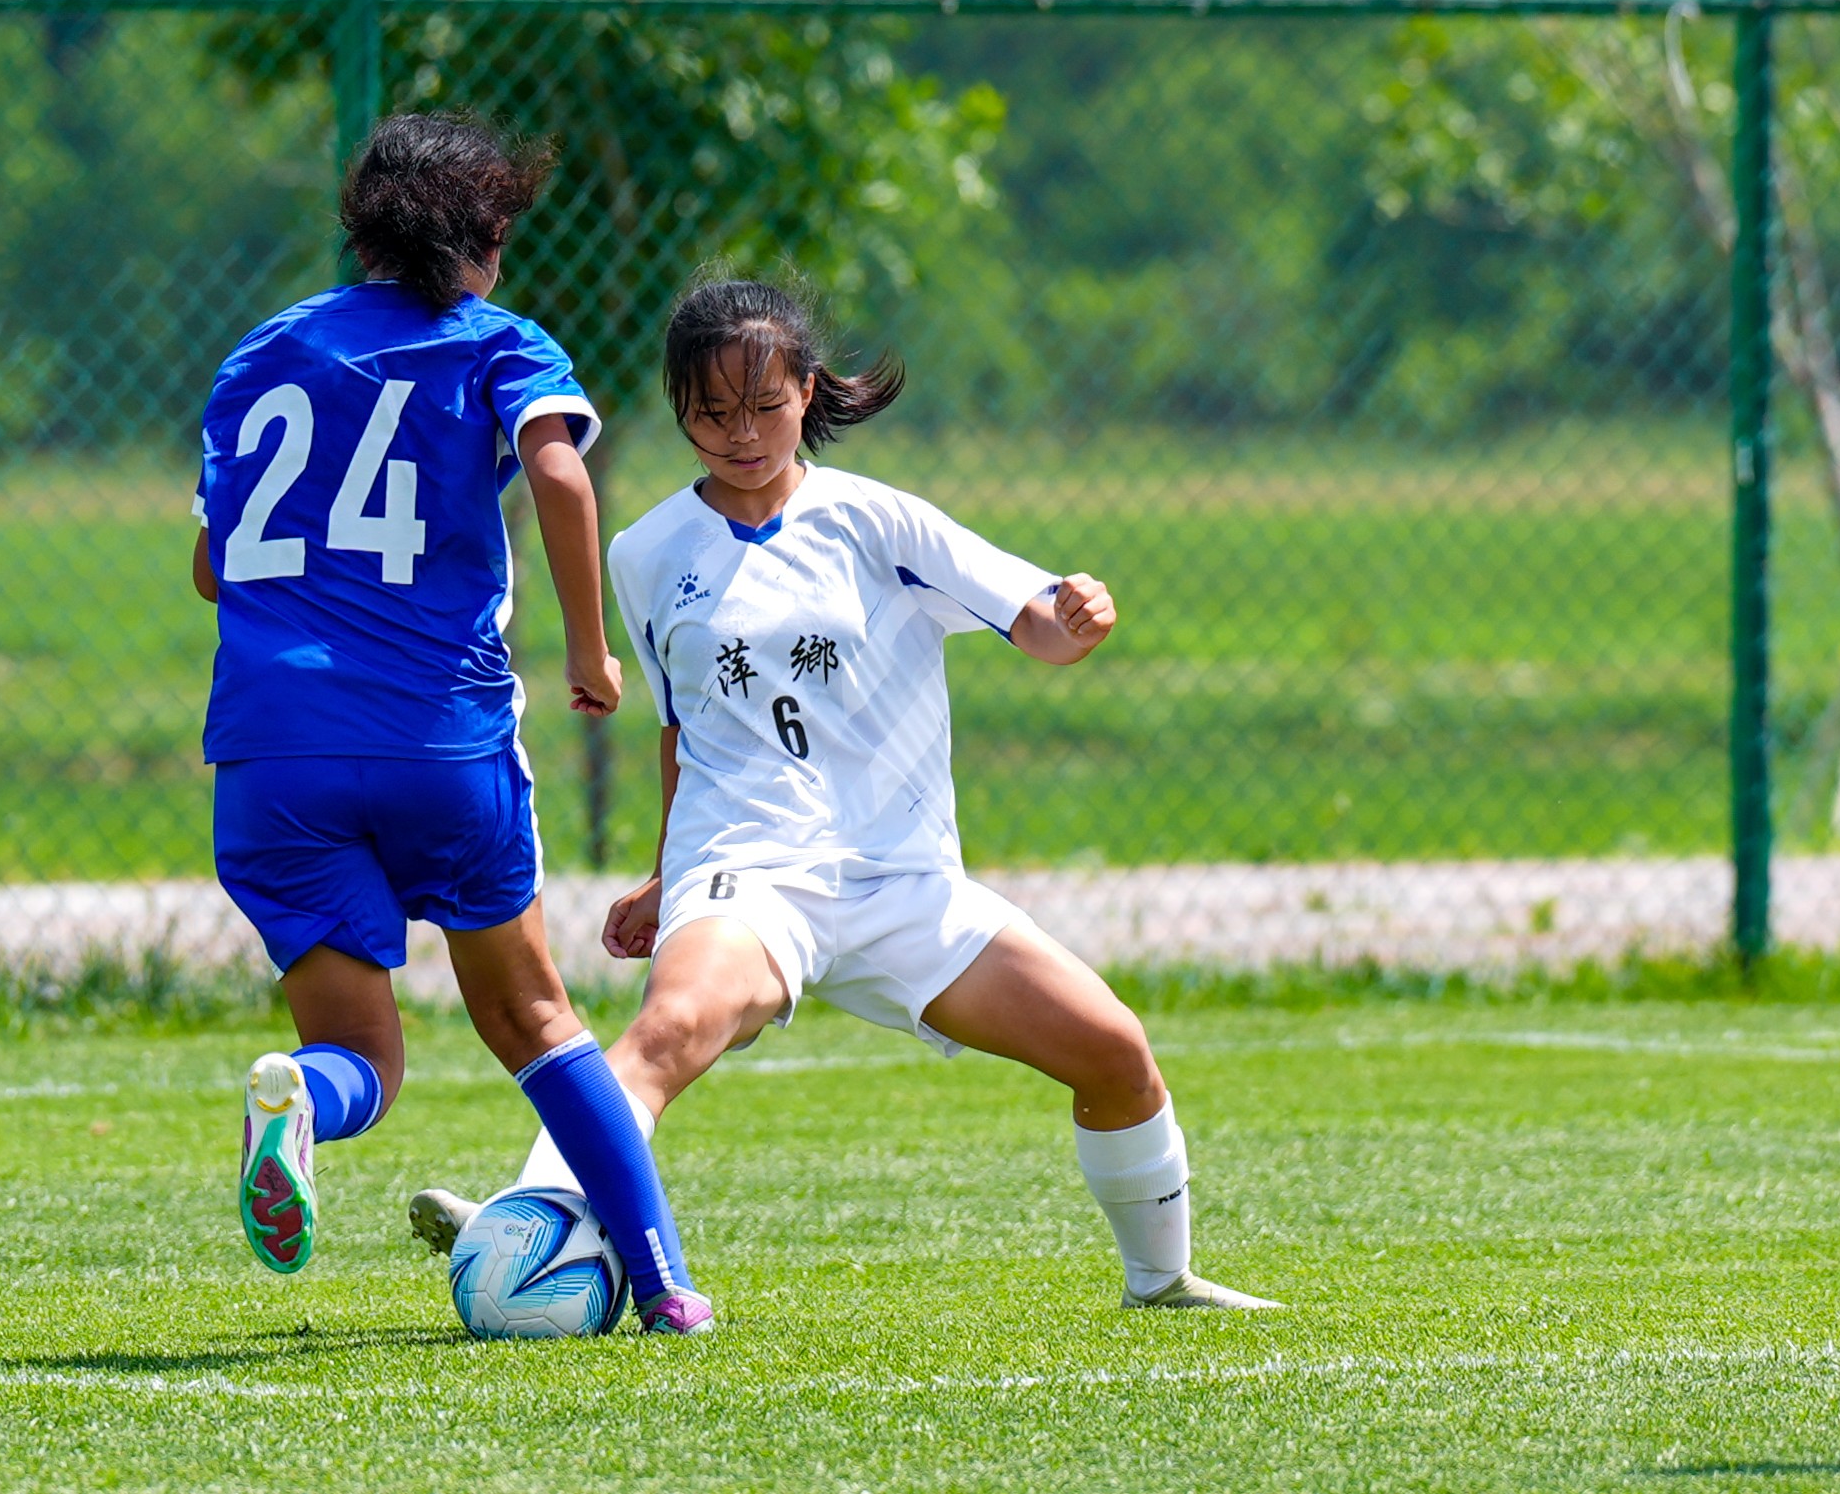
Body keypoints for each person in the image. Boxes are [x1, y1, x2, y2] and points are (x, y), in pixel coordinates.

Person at [410, 275, 1278, 1312]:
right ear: (679, 408)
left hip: (903, 881)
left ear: (807, 392)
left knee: (1115, 1052)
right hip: (747, 871)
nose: (740, 434)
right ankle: (526, 1222)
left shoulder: (878, 521)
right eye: (711, 412)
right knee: (670, 1030)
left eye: (763, 405)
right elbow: (685, 731)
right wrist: (667, 874)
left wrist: (1078, 615)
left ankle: (1162, 1279)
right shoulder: (643, 554)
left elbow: (1037, 624)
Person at [192, 112, 713, 1335]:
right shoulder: (497, 342)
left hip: (270, 751)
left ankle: (301, 1103)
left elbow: (215, 568)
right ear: (482, 238)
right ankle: (664, 1287)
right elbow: (560, 472)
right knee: (534, 1021)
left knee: (360, 1054)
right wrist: (587, 649)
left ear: (363, 230)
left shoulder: (260, 353)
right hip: (437, 739)